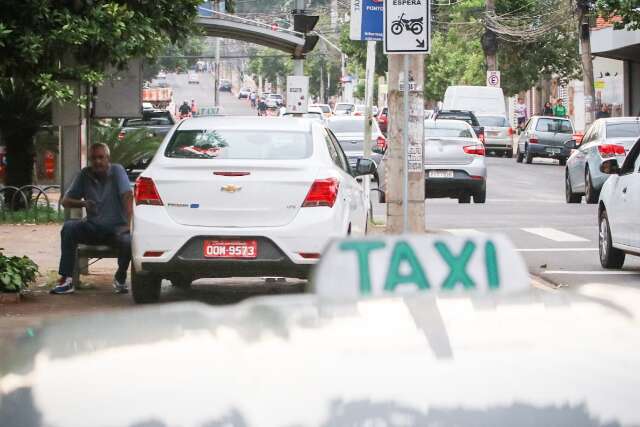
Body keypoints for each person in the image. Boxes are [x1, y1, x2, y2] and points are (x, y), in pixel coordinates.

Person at [51, 143, 133, 295]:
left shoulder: (117, 171)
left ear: (108, 159)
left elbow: (127, 196)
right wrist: (83, 203)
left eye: (101, 158)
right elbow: (65, 201)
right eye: (94, 158)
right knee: (69, 227)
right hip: (93, 228)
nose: (97, 162)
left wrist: (129, 225)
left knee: (128, 240)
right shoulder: (85, 174)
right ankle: (66, 279)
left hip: (116, 231)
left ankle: (120, 277)